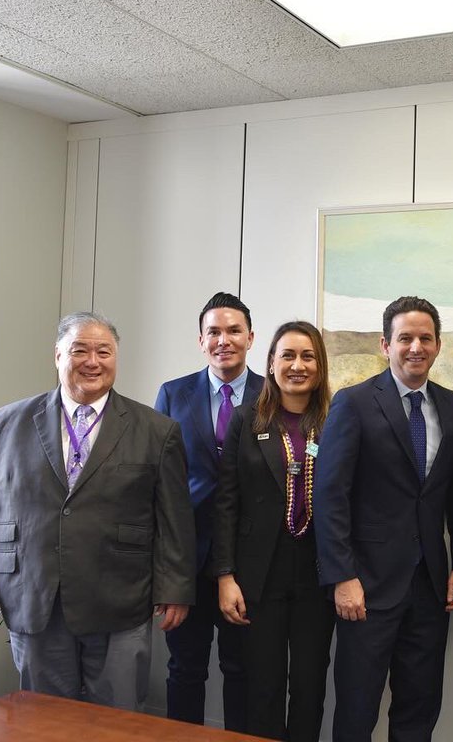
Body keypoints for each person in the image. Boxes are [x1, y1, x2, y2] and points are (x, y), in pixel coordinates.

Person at [0, 311, 195, 711]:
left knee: (115, 723)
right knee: (43, 722)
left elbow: (175, 518)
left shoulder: (157, 430)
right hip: (35, 595)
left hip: (121, 597)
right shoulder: (5, 424)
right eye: (79, 350)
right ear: (57, 356)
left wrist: (175, 588)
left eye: (104, 351)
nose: (92, 361)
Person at [313, 296, 453, 742]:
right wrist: (342, 575)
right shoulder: (355, 402)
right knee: (358, 709)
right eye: (405, 338)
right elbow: (330, 498)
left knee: (419, 708)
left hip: (429, 586)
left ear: (438, 345)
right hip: (366, 587)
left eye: (425, 338)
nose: (415, 347)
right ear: (386, 344)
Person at [215, 321, 336, 741]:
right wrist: (225, 576)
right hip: (257, 575)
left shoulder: (337, 420)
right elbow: (226, 501)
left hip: (318, 573)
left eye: (308, 356)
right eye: (287, 355)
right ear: (270, 363)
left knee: (309, 686)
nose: (297, 365)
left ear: (319, 366)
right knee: (262, 685)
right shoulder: (247, 419)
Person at [154, 292, 260, 730]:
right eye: (214, 331)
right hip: (188, 561)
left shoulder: (272, 394)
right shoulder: (173, 394)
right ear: (201, 340)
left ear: (251, 337)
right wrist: (166, 575)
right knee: (185, 670)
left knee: (243, 671)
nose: (224, 340)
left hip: (248, 561)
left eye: (234, 330)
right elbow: (156, 485)